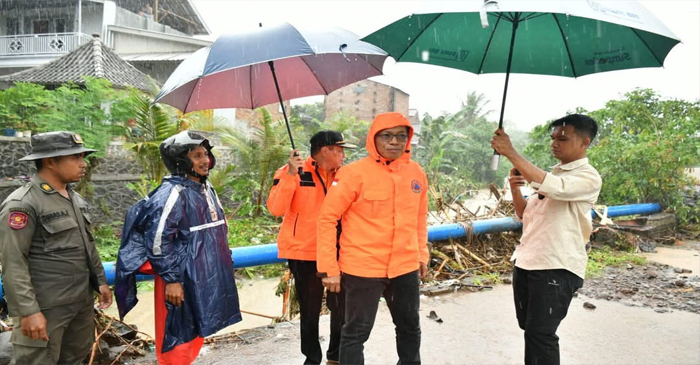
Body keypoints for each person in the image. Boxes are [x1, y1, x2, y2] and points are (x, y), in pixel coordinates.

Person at [115, 131, 242, 365]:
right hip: (179, 279)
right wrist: (172, 280)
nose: (205, 160)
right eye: (197, 156)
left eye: (206, 154)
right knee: (177, 336)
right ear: (180, 161)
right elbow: (158, 239)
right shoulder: (172, 193)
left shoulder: (205, 188)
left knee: (195, 331)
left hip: (203, 275)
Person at [317, 112, 429, 365]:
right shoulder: (353, 174)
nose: (394, 142)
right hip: (362, 268)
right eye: (386, 136)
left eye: (401, 136)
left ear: (408, 139)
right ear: (374, 139)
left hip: (405, 266)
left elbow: (420, 217)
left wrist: (422, 254)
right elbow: (326, 219)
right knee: (355, 333)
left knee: (410, 327)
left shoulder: (416, 173)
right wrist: (329, 269)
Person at [490, 114, 602, 365]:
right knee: (531, 330)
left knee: (541, 333)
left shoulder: (587, 176)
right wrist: (516, 187)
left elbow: (556, 187)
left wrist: (511, 152)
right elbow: (523, 213)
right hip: (528, 262)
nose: (554, 143)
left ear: (585, 143)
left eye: (562, 138)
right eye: (552, 138)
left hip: (556, 266)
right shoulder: (552, 175)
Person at [0, 131, 112, 365]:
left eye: (83, 157)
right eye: (75, 158)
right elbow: (13, 262)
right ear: (50, 161)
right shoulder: (23, 203)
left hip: (79, 303)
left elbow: (87, 245)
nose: (83, 164)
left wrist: (100, 281)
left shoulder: (74, 198)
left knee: (74, 358)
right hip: (46, 308)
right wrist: (29, 312)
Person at [267, 131, 356, 365]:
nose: (344, 155)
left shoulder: (345, 176)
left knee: (341, 308)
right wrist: (289, 176)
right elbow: (276, 209)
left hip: (338, 252)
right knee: (310, 309)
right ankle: (312, 358)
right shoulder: (293, 172)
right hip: (303, 253)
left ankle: (335, 356)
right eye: (340, 150)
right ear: (326, 150)